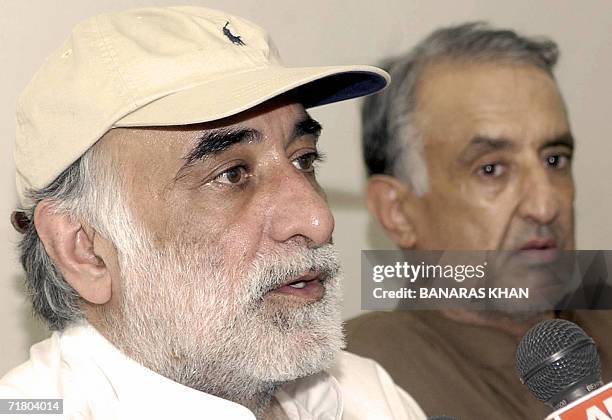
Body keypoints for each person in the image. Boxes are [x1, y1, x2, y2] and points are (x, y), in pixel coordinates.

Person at [0, 6, 426, 420]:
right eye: (233, 174)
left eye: (304, 159)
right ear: (84, 251)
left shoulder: (365, 393)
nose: (317, 220)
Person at [345, 22, 612, 420]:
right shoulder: (354, 380)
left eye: (554, 159)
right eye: (491, 169)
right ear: (398, 212)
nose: (544, 205)